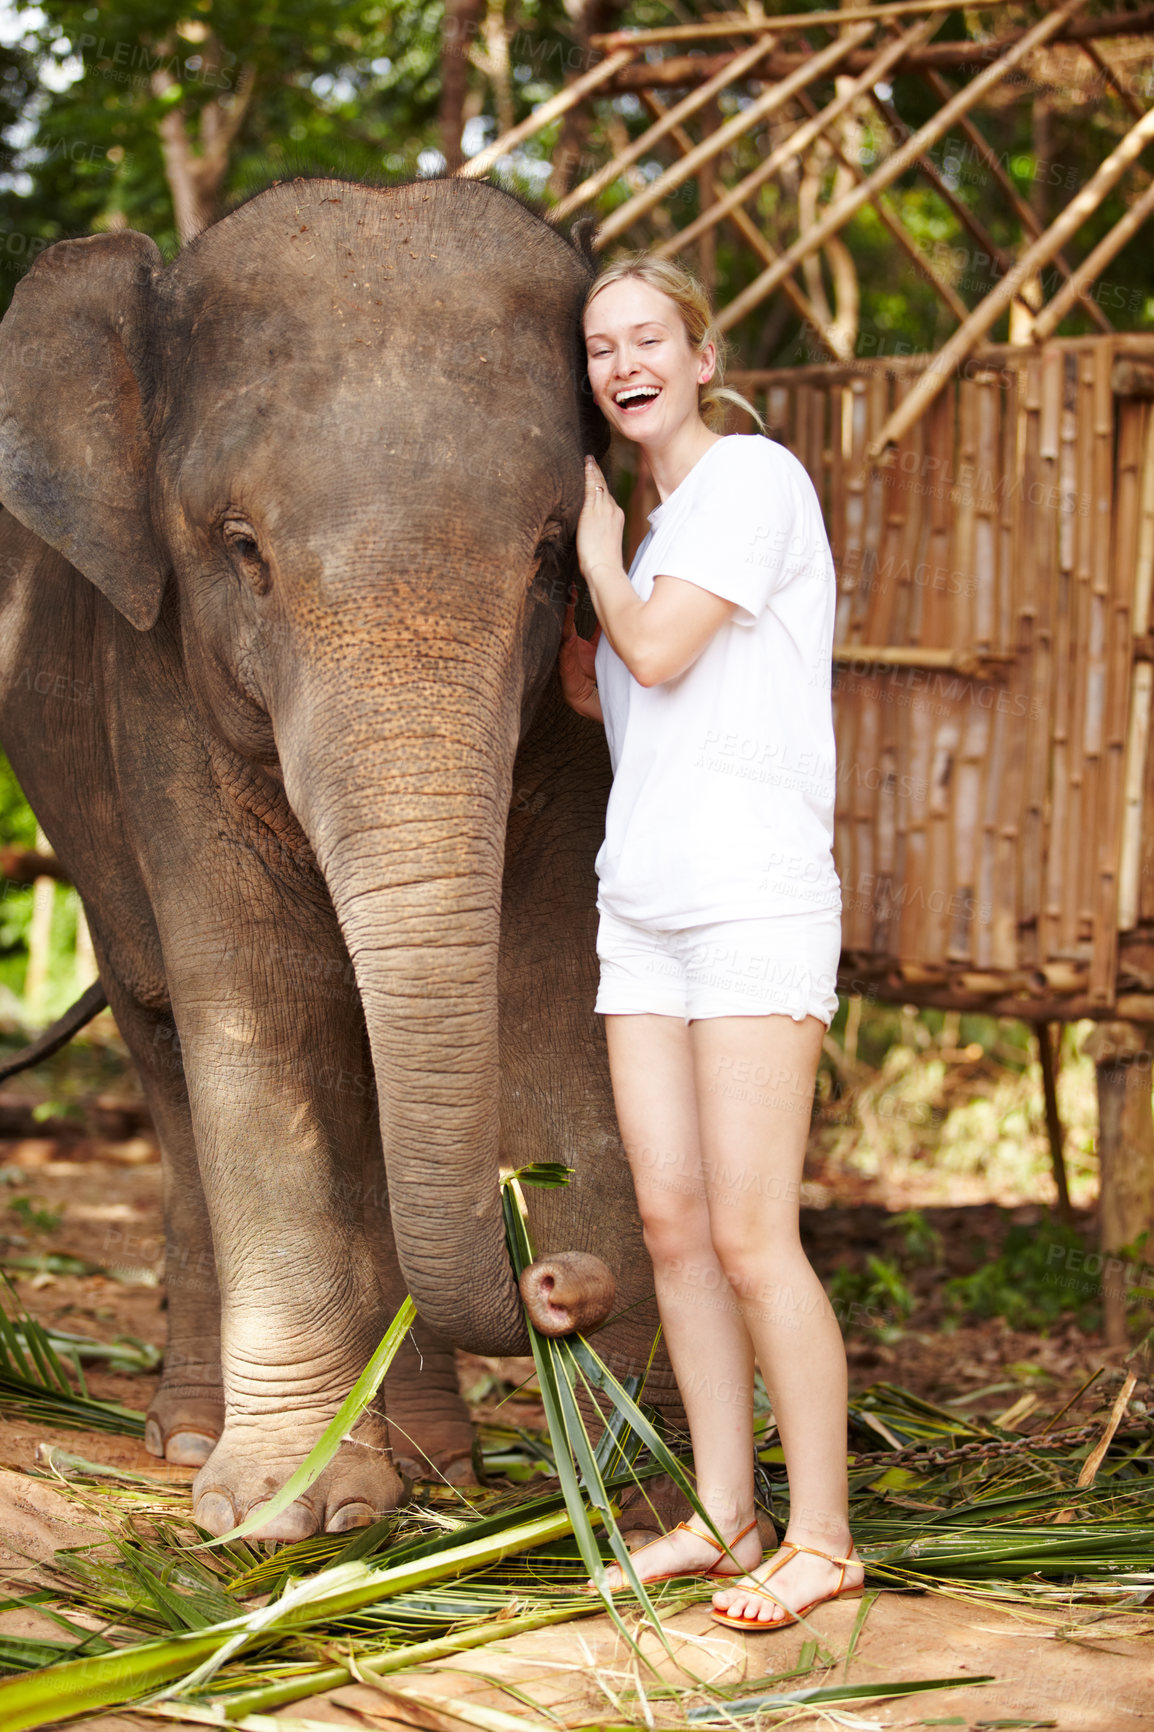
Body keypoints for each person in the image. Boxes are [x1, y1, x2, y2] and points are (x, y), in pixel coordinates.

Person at [557, 254, 862, 1632]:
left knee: (749, 1233)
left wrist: (589, 547)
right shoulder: (665, 518)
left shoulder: (748, 480)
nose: (622, 360)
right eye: (599, 346)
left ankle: (823, 1539)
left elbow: (663, 651)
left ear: (695, 353)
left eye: (646, 337)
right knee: (673, 1227)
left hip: (751, 903)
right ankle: (727, 1517)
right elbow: (624, 699)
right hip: (645, 912)